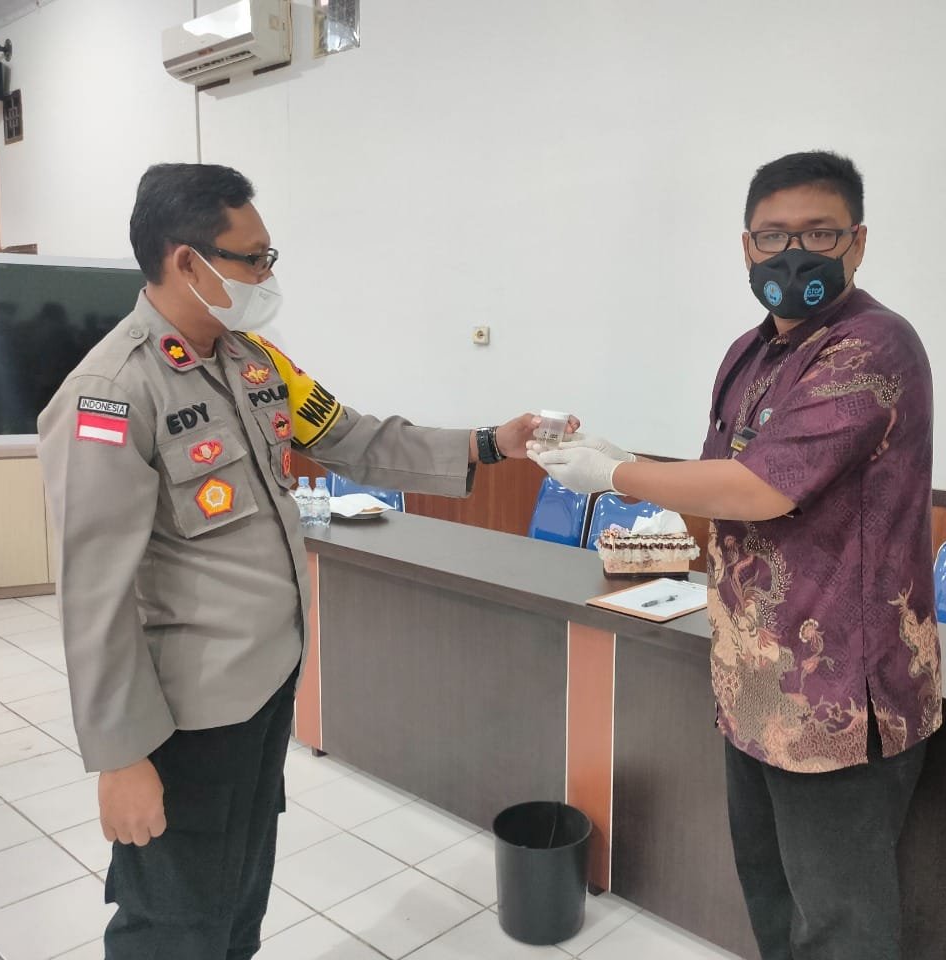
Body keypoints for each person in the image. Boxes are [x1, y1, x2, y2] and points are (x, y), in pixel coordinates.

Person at [38, 162, 571, 959]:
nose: (267, 275)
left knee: (237, 900)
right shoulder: (111, 394)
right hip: (185, 718)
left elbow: (353, 437)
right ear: (188, 262)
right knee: (175, 920)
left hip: (262, 690)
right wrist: (121, 758)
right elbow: (94, 594)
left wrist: (491, 443)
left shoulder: (254, 362)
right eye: (254, 258)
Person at [529, 151, 939, 960]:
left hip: (838, 695)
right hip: (752, 679)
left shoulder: (871, 346)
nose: (794, 253)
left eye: (819, 233)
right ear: (746, 247)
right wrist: (623, 456)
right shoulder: (748, 355)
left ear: (858, 242)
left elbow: (762, 489)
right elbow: (721, 481)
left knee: (839, 921)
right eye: (773, 236)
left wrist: (613, 474)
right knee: (768, 888)